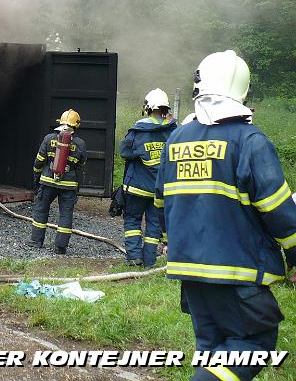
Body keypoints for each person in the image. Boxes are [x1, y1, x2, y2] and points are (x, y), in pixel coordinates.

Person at [155, 50, 296, 381]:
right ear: (242, 91)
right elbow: (277, 209)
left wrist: (171, 242)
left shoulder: (176, 139)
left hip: (189, 269)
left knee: (215, 350)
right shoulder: (249, 140)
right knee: (255, 344)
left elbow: (163, 202)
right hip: (238, 269)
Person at [119, 88, 177, 266]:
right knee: (154, 225)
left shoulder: (139, 129)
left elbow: (124, 151)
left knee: (132, 220)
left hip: (136, 187)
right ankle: (149, 260)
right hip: (160, 189)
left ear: (148, 107)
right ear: (166, 109)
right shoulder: (174, 131)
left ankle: (134, 257)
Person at [30, 109, 87, 255]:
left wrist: (37, 178)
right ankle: (60, 247)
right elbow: (80, 166)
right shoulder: (81, 144)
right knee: (66, 214)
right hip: (68, 186)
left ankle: (36, 241)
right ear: (76, 125)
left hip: (48, 182)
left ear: (61, 122)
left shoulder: (49, 139)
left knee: (41, 210)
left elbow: (39, 161)